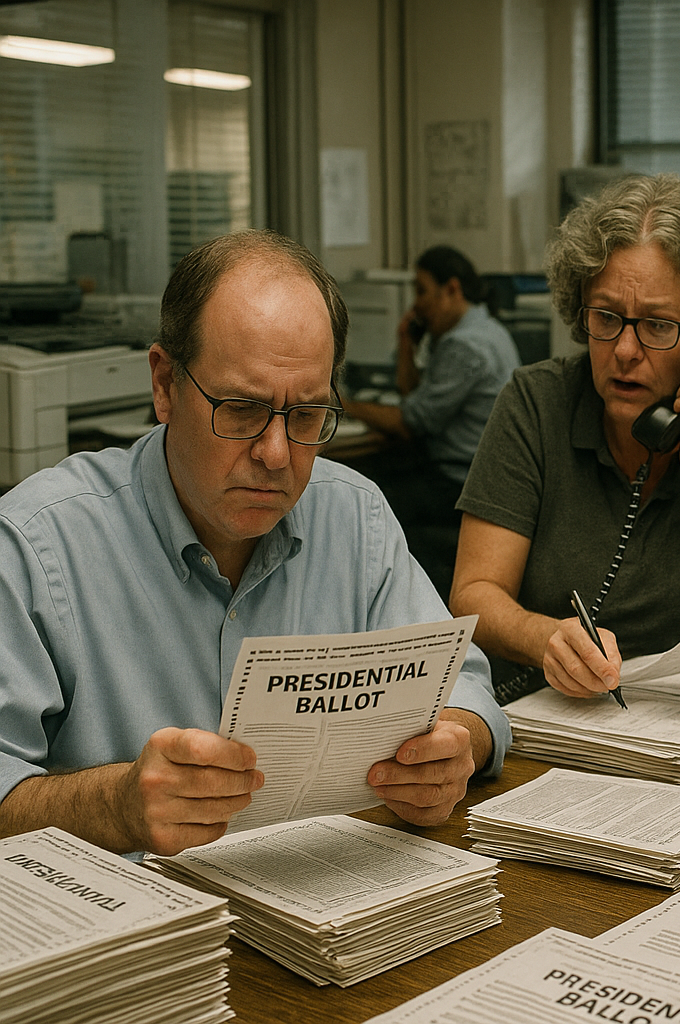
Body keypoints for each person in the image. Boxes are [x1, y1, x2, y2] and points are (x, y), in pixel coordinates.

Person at [0, 230, 511, 857]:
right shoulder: (36, 544)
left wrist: (453, 746)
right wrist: (115, 807)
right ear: (164, 385)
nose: (276, 455)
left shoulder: (355, 516)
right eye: (241, 409)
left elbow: (465, 687)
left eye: (306, 417)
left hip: (323, 901)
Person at [451, 173, 680, 704]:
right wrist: (545, 638)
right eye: (606, 317)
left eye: (658, 325)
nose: (624, 350)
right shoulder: (536, 402)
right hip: (555, 714)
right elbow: (474, 595)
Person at [342, 247, 521, 594]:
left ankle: (394, 600)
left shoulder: (466, 345)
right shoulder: (486, 329)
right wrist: (406, 341)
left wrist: (337, 403)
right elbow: (413, 395)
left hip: (458, 480)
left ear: (451, 289)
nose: (417, 304)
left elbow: (410, 420)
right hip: (465, 470)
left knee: (365, 498)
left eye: (422, 291)